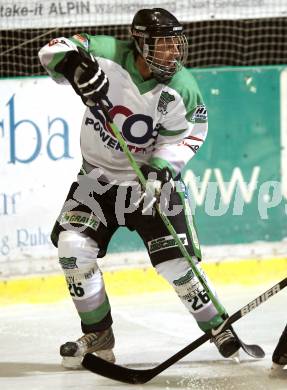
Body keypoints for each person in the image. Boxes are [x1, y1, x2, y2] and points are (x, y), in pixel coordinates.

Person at [38, 7, 241, 369]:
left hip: (147, 182)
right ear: (140, 43)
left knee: (175, 264)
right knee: (72, 247)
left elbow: (189, 135)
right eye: (164, 45)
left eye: (176, 44)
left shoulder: (182, 88)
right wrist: (71, 66)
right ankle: (98, 333)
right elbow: (53, 49)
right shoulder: (107, 53)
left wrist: (161, 169)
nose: (174, 53)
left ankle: (217, 325)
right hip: (95, 180)